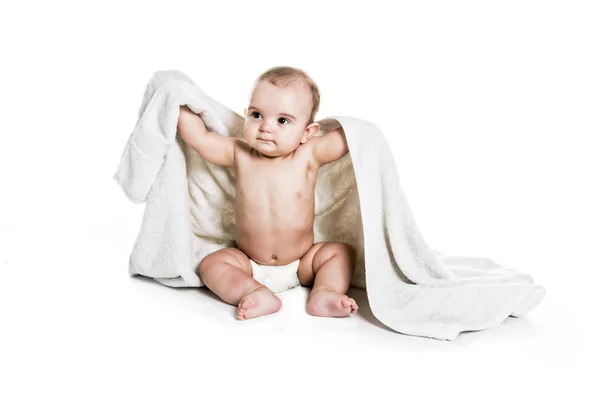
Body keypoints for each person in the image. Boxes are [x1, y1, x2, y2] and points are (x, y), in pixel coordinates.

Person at [177, 66, 358, 320]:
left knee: (341, 253)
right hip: (249, 263)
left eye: (282, 120)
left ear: (307, 132)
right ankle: (254, 292)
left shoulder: (309, 154)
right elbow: (200, 139)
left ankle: (324, 292)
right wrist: (175, 99)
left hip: (304, 262)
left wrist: (365, 131)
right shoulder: (238, 152)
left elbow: (353, 139)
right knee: (211, 265)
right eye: (257, 115)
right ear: (246, 116)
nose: (265, 127)